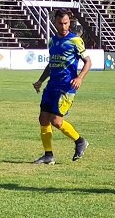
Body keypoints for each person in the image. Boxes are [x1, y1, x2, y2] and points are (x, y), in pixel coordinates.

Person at [32, 9, 90, 164]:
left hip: (67, 86)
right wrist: (40, 80)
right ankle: (48, 155)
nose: (64, 26)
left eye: (66, 23)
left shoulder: (75, 40)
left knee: (56, 121)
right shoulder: (52, 41)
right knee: (43, 119)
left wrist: (79, 78)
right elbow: (51, 64)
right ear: (55, 22)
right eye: (60, 23)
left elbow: (88, 62)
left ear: (69, 22)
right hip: (52, 85)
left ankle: (80, 141)